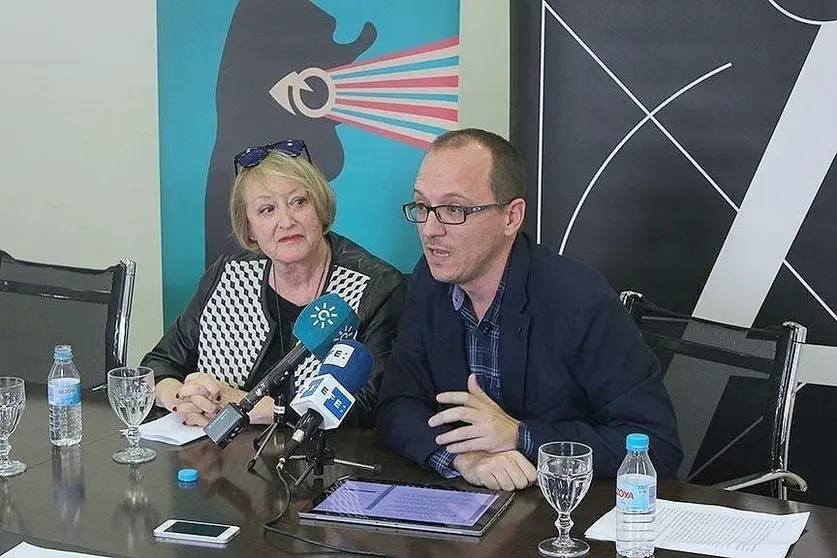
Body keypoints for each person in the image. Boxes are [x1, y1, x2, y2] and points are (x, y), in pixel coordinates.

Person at [375, 129, 682, 491]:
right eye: (423, 207)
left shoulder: (579, 301)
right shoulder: (430, 281)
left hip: (571, 518)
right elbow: (397, 404)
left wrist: (521, 436)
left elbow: (656, 447)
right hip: (475, 510)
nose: (430, 229)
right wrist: (462, 458)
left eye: (454, 210)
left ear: (511, 216)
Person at [143, 139, 406, 429]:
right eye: (267, 210)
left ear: (320, 208)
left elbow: (368, 407)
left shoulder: (376, 287)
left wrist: (241, 405)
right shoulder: (228, 272)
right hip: (219, 461)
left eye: (299, 202)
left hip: (321, 464)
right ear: (250, 228)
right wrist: (182, 399)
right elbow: (159, 364)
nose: (286, 220)